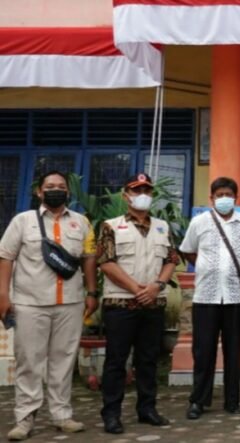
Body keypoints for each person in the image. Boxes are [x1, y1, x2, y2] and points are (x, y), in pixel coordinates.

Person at [0, 171, 98, 441]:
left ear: (68, 191)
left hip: (70, 302)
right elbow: (5, 257)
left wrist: (92, 292)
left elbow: (89, 258)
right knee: (29, 361)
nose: (56, 190)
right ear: (39, 192)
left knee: (63, 360)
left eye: (61, 186)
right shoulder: (22, 221)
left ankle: (62, 415)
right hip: (30, 303)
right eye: (50, 186)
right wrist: (3, 295)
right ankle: (25, 418)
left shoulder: (81, 222)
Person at [98, 173, 179, 434]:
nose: (142, 195)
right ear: (126, 196)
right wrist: (136, 289)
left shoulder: (162, 227)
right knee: (116, 361)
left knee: (148, 360)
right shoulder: (111, 226)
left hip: (153, 303)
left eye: (146, 191)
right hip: (120, 304)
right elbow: (106, 263)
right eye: (136, 190)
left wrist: (157, 286)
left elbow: (171, 260)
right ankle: (111, 414)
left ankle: (147, 409)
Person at [181, 177, 240, 419]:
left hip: (235, 297)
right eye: (220, 195)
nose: (224, 199)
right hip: (206, 297)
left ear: (236, 197)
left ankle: (232, 401)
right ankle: (198, 401)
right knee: (203, 352)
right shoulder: (199, 222)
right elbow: (188, 251)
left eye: (228, 195)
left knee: (233, 351)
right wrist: (206, 266)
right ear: (211, 198)